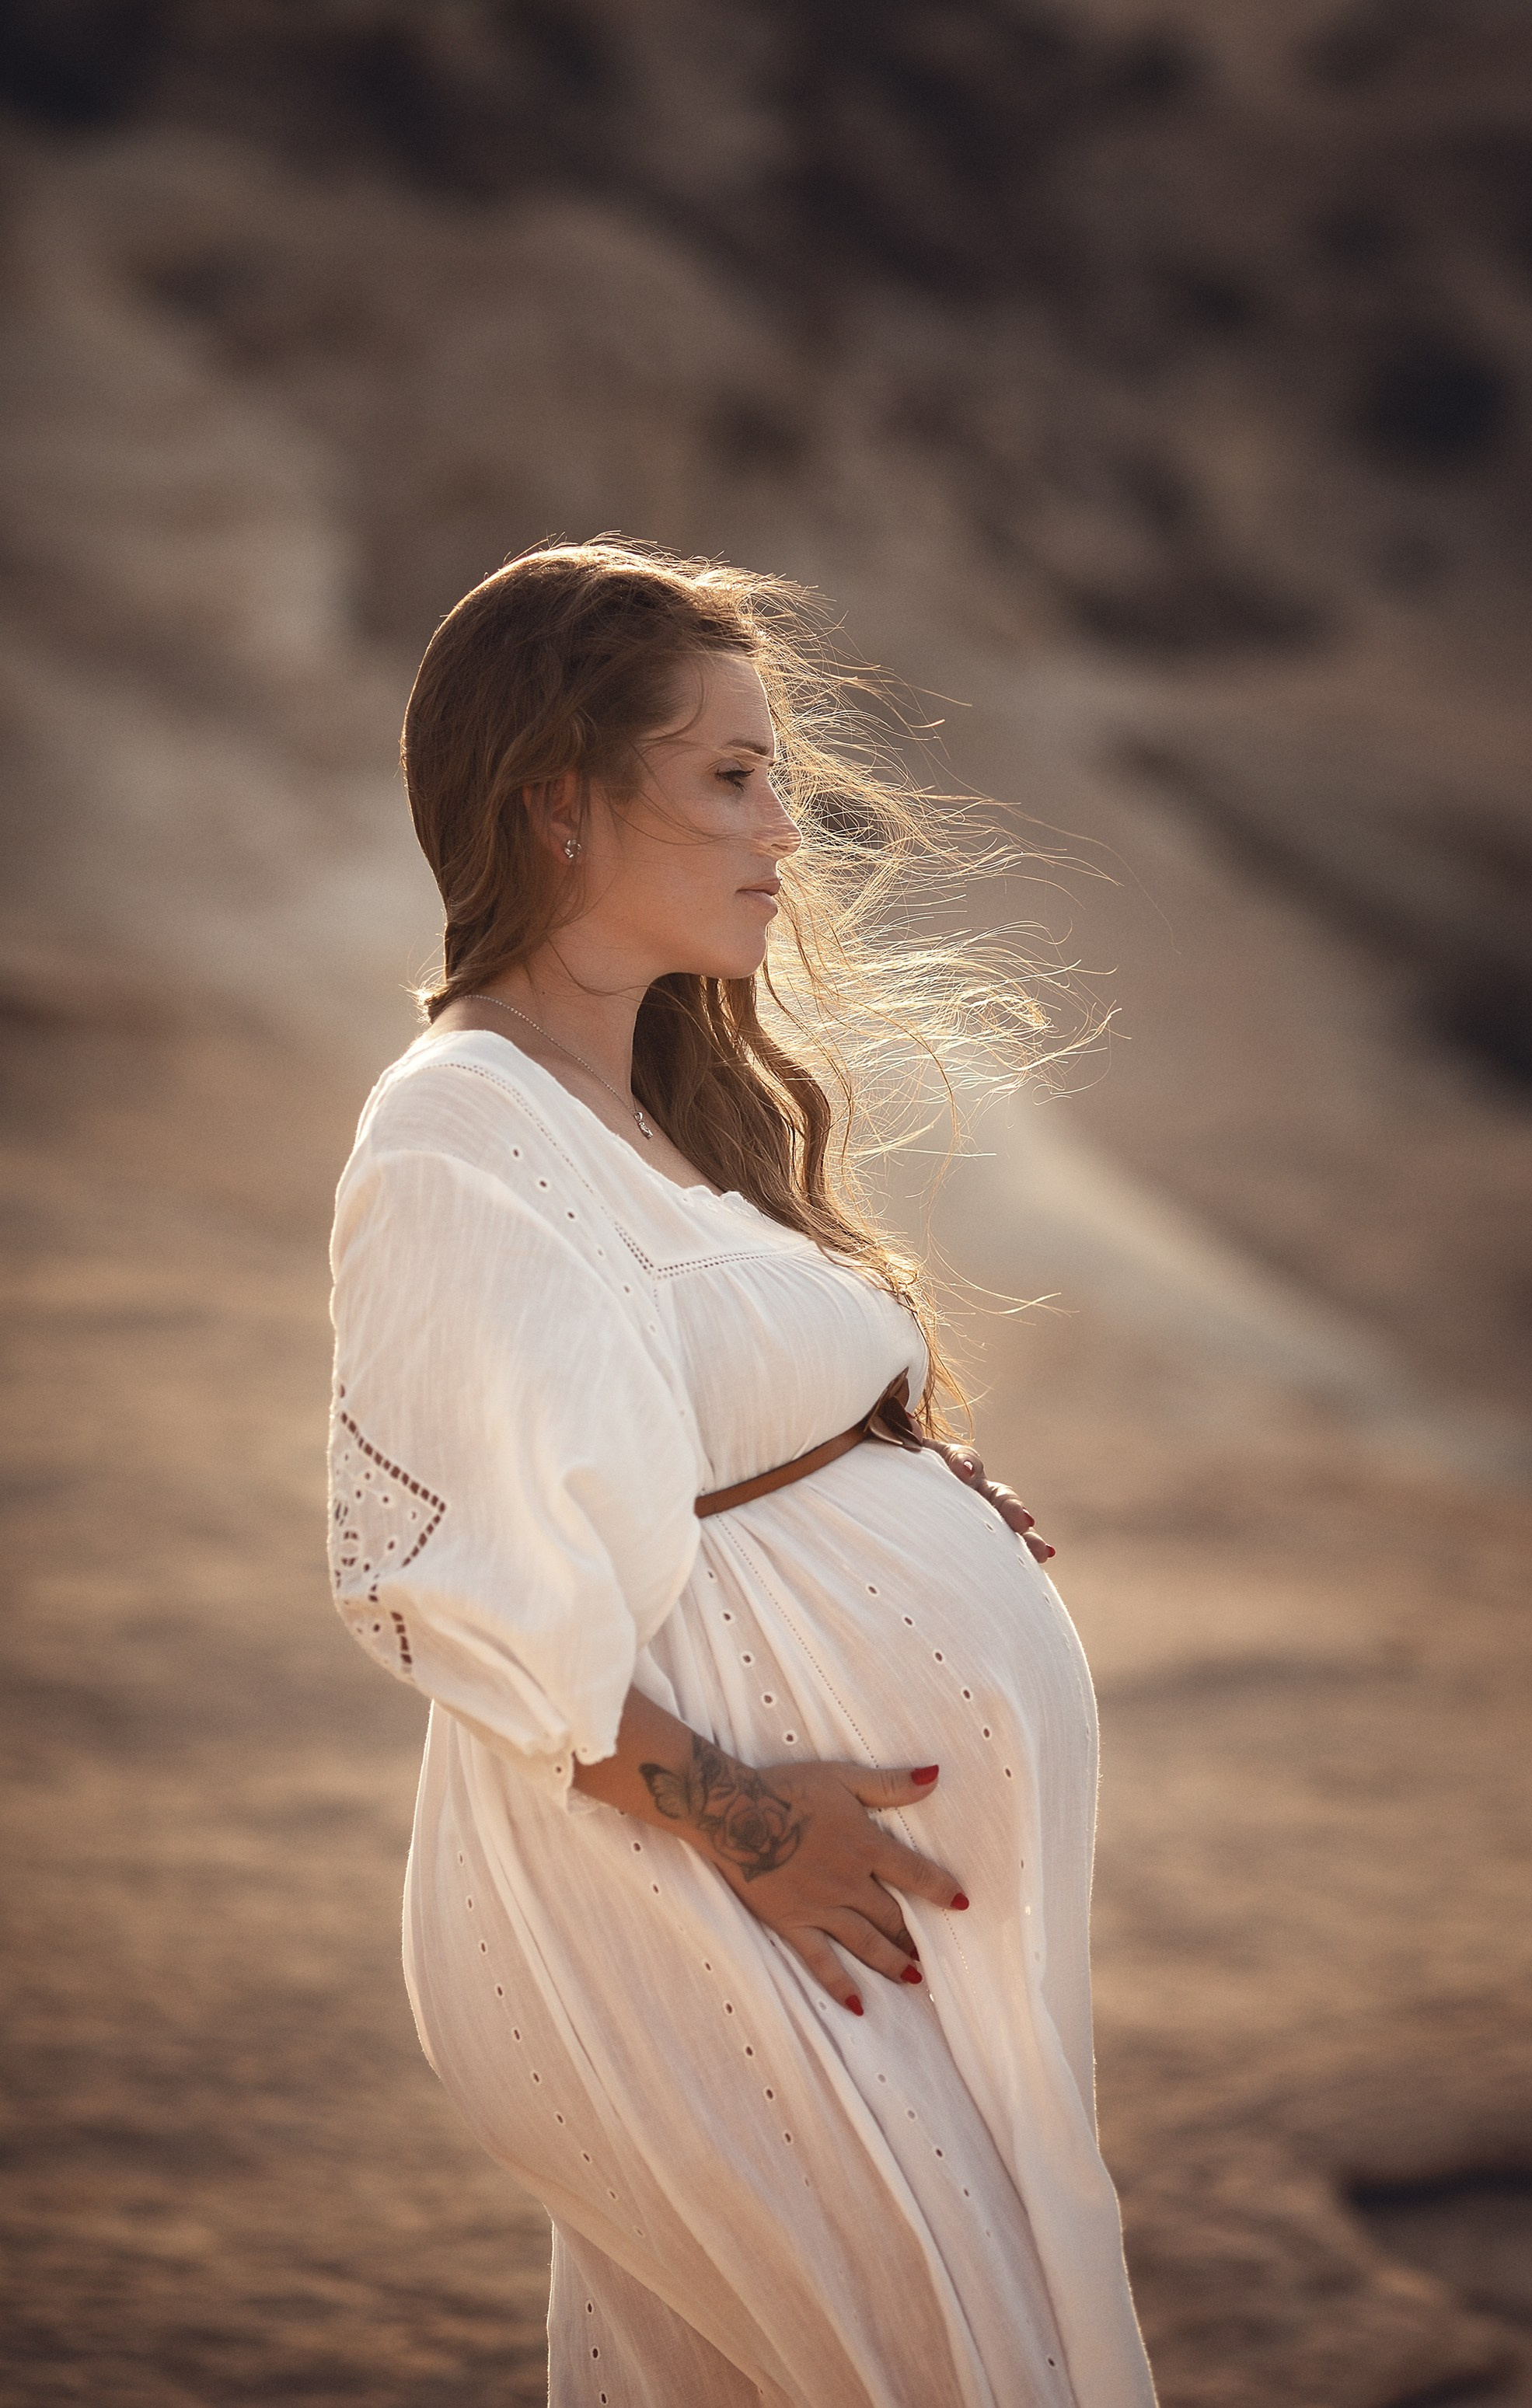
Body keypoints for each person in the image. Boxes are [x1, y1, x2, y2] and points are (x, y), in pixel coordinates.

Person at [326, 539, 1156, 2406]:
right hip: (695, 1889)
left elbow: (685, 1415)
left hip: (795, 1902)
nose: (787, 823)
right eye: (730, 772)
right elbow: (428, 1576)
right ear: (556, 801)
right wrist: (751, 1828)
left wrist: (880, 1474)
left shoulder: (638, 1097)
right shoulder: (456, 1128)